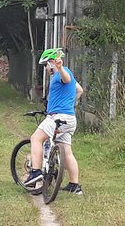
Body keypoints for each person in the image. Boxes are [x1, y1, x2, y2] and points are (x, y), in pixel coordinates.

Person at [23, 47, 84, 194]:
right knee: (67, 152)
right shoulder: (68, 75)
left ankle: (35, 172)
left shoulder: (61, 74)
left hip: (57, 117)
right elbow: (79, 90)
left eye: (46, 65)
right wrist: (68, 103)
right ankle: (74, 186)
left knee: (36, 138)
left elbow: (66, 79)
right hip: (69, 118)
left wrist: (60, 67)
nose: (46, 69)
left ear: (51, 62)